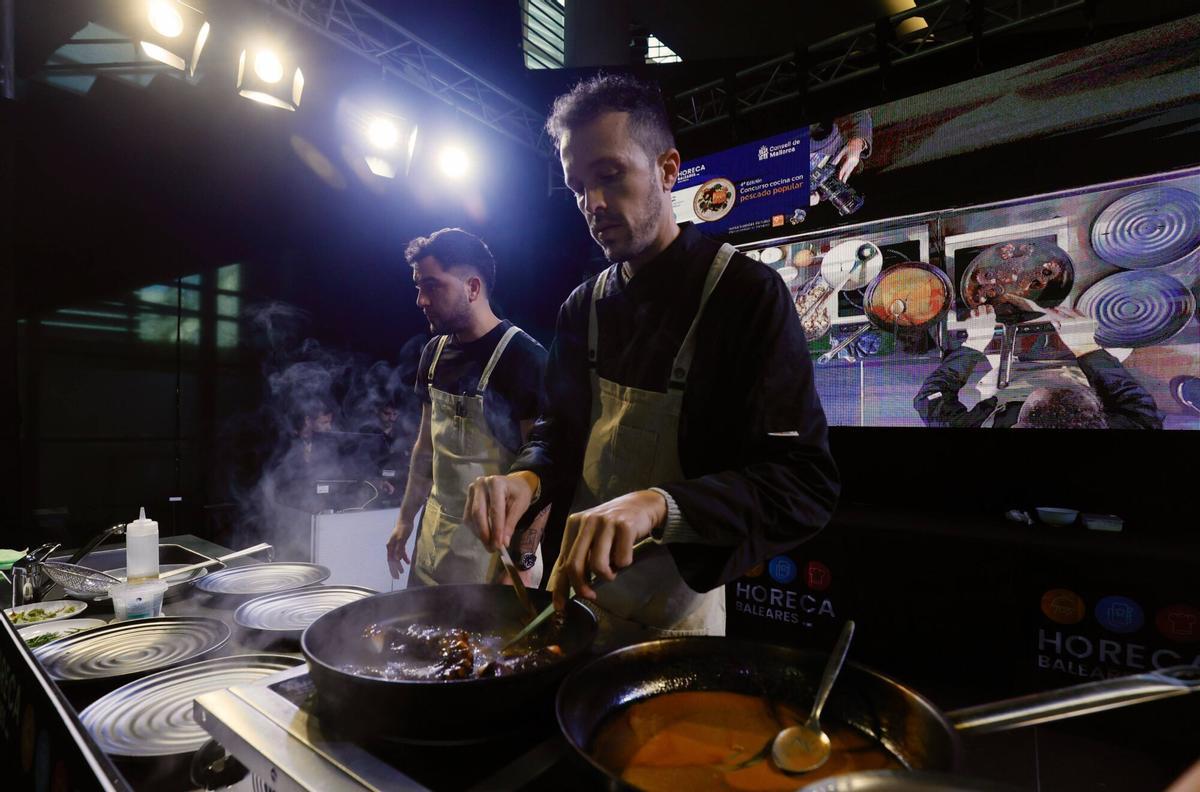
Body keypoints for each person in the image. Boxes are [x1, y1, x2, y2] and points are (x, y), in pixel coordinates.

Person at [462, 74, 840, 650]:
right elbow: (558, 431)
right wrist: (527, 476)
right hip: (573, 603)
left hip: (674, 621)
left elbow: (802, 484)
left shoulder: (744, 296)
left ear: (667, 170)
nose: (592, 204)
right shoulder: (582, 306)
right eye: (577, 187)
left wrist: (658, 505)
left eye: (610, 175)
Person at [385, 228, 550, 587]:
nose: (421, 300)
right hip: (433, 543)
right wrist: (404, 520)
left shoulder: (524, 359)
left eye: (431, 286)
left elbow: (543, 477)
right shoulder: (434, 353)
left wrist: (523, 561)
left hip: (493, 559)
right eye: (418, 288)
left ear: (472, 288)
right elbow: (425, 449)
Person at [914, 304, 1163, 429]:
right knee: (1120, 343)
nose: (1041, 391)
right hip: (1082, 383)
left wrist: (974, 345)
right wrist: (1086, 347)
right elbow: (1131, 398)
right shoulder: (1136, 427)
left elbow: (928, 398)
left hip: (1006, 391)